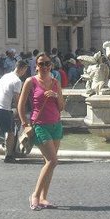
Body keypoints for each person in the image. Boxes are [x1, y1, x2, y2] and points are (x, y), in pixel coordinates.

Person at [17, 52, 65, 210]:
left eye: (47, 63)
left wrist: (56, 95)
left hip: (56, 125)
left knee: (49, 163)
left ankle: (44, 197)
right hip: (40, 125)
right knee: (53, 161)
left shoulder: (55, 82)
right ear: (36, 66)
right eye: (41, 64)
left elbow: (62, 107)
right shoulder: (30, 81)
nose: (44, 66)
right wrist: (25, 124)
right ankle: (35, 195)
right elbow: (21, 105)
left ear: (51, 65)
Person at [0, 59, 29, 162]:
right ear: (22, 69)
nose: (24, 73)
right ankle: (9, 156)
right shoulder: (17, 81)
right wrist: (20, 113)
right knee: (10, 132)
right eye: (25, 70)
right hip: (4, 108)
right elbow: (17, 99)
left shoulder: (5, 76)